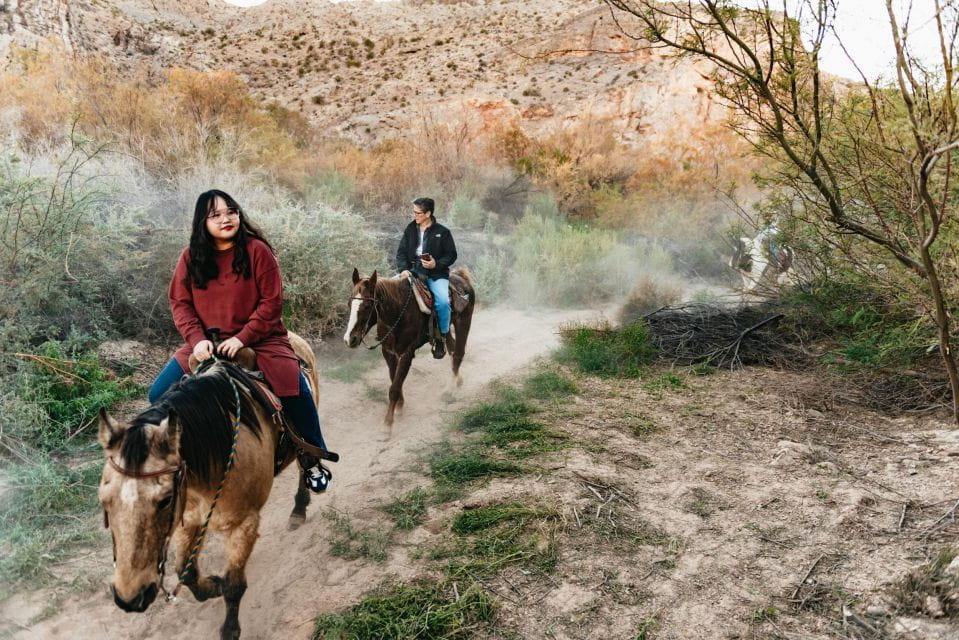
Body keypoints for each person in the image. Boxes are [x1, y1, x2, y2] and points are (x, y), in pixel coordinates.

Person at [148, 189, 330, 492]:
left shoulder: (258, 251)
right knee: (158, 395)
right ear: (202, 223)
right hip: (206, 344)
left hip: (261, 341)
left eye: (230, 211)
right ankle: (184, 466)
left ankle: (311, 456)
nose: (225, 219)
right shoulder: (190, 258)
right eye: (215, 215)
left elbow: (271, 304)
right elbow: (180, 304)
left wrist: (242, 337)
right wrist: (196, 340)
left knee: (295, 388)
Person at [395, 197, 457, 358]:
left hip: (436, 275)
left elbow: (451, 255)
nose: (414, 215)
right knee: (387, 291)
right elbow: (401, 253)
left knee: (443, 302)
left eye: (418, 212)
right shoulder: (410, 229)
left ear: (428, 213)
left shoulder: (443, 232)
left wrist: (436, 264)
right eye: (414, 212)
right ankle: (391, 332)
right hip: (412, 271)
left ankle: (441, 337)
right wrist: (403, 270)